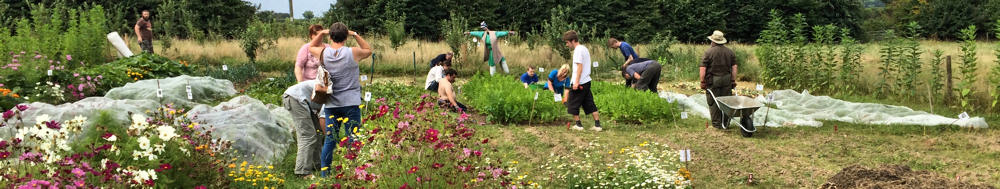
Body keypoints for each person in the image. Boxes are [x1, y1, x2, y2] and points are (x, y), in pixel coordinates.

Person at [307, 22, 373, 177]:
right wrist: (355, 34)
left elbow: (311, 47)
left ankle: (325, 174)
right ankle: (355, 172)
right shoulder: (353, 52)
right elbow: (368, 50)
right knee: (353, 138)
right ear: (346, 37)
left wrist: (321, 34)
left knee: (330, 139)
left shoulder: (323, 53)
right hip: (351, 102)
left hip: (331, 103)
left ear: (330, 36)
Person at [281, 80, 324, 178]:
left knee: (318, 132)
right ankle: (302, 171)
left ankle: (317, 164)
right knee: (307, 135)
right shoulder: (336, 95)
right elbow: (324, 117)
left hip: (304, 100)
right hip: (295, 98)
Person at [563, 30, 602, 132]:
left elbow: (579, 67)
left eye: (567, 42)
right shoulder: (584, 48)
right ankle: (597, 125)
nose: (567, 45)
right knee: (589, 103)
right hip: (586, 81)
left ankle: (578, 125)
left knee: (572, 103)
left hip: (580, 83)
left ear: (573, 40)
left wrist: (576, 82)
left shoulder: (578, 50)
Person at [699, 30, 738, 129]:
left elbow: (703, 69)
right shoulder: (730, 52)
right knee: (726, 101)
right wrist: (733, 81)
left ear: (713, 41)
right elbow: (734, 68)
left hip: (713, 80)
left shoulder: (708, 52)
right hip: (726, 79)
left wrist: (702, 82)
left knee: (713, 102)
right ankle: (725, 123)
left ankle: (717, 125)